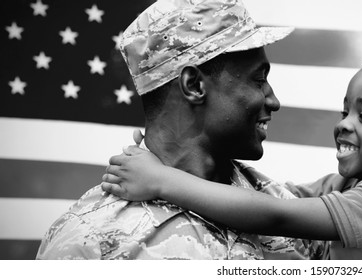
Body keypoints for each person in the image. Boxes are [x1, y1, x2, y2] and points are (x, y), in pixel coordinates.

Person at [101, 33, 362, 259]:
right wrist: (161, 156)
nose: (344, 123)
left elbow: (276, 215)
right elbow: (277, 196)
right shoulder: (353, 186)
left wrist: (161, 179)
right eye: (345, 110)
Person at [36, 0, 320, 260]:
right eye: (258, 80)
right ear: (194, 86)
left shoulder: (292, 216)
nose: (273, 101)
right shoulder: (88, 242)